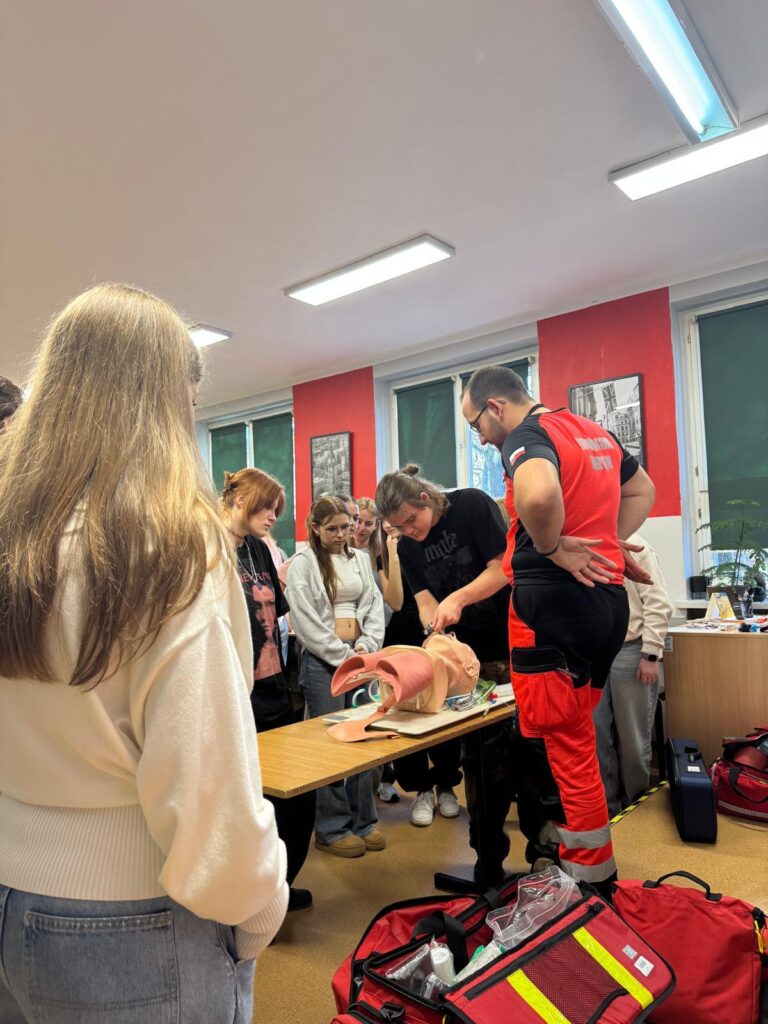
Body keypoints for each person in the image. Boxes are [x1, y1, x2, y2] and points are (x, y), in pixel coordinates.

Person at [0, 284, 286, 1023]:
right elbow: (207, 786)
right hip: (135, 915)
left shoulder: (14, 539)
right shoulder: (169, 544)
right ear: (162, 404)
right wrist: (258, 906)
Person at [461, 364, 656, 892]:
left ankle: (587, 886)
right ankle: (585, 874)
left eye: (477, 425)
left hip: (553, 610)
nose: (481, 438)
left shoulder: (526, 435)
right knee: (577, 739)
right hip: (605, 605)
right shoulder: (593, 431)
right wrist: (606, 542)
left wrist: (550, 547)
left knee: (562, 750)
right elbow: (642, 490)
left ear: (496, 406)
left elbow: (539, 497)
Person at [376, 467, 561, 878]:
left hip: (517, 647)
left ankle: (544, 854)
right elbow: (425, 602)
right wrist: (434, 634)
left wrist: (457, 600)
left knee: (532, 755)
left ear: (426, 498)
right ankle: (488, 861)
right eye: (399, 527)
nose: (410, 531)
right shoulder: (407, 546)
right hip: (470, 665)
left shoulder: (472, 505)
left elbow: (502, 568)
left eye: (412, 520)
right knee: (480, 762)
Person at [220, 467, 316, 912]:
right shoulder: (209, 546)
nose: (274, 516)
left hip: (273, 687)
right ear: (241, 500)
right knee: (247, 802)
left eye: (276, 509)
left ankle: (279, 886)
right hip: (234, 697)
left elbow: (275, 612)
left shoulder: (258, 548)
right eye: (267, 507)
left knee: (296, 796)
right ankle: (249, 898)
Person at [286, 495, 386, 857]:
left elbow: (373, 605)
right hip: (323, 663)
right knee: (330, 744)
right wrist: (343, 657)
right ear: (315, 528)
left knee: (364, 738)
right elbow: (306, 621)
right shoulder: (304, 563)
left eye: (346, 526)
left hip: (361, 658)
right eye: (332, 529)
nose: (342, 534)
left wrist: (366, 646)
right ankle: (331, 828)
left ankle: (364, 821)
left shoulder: (358, 559)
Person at [594, 533, 673, 816]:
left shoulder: (636, 547)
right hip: (592, 653)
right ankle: (608, 808)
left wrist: (651, 654)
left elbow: (658, 602)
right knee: (597, 738)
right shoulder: (584, 543)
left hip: (630, 650)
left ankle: (635, 809)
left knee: (633, 740)